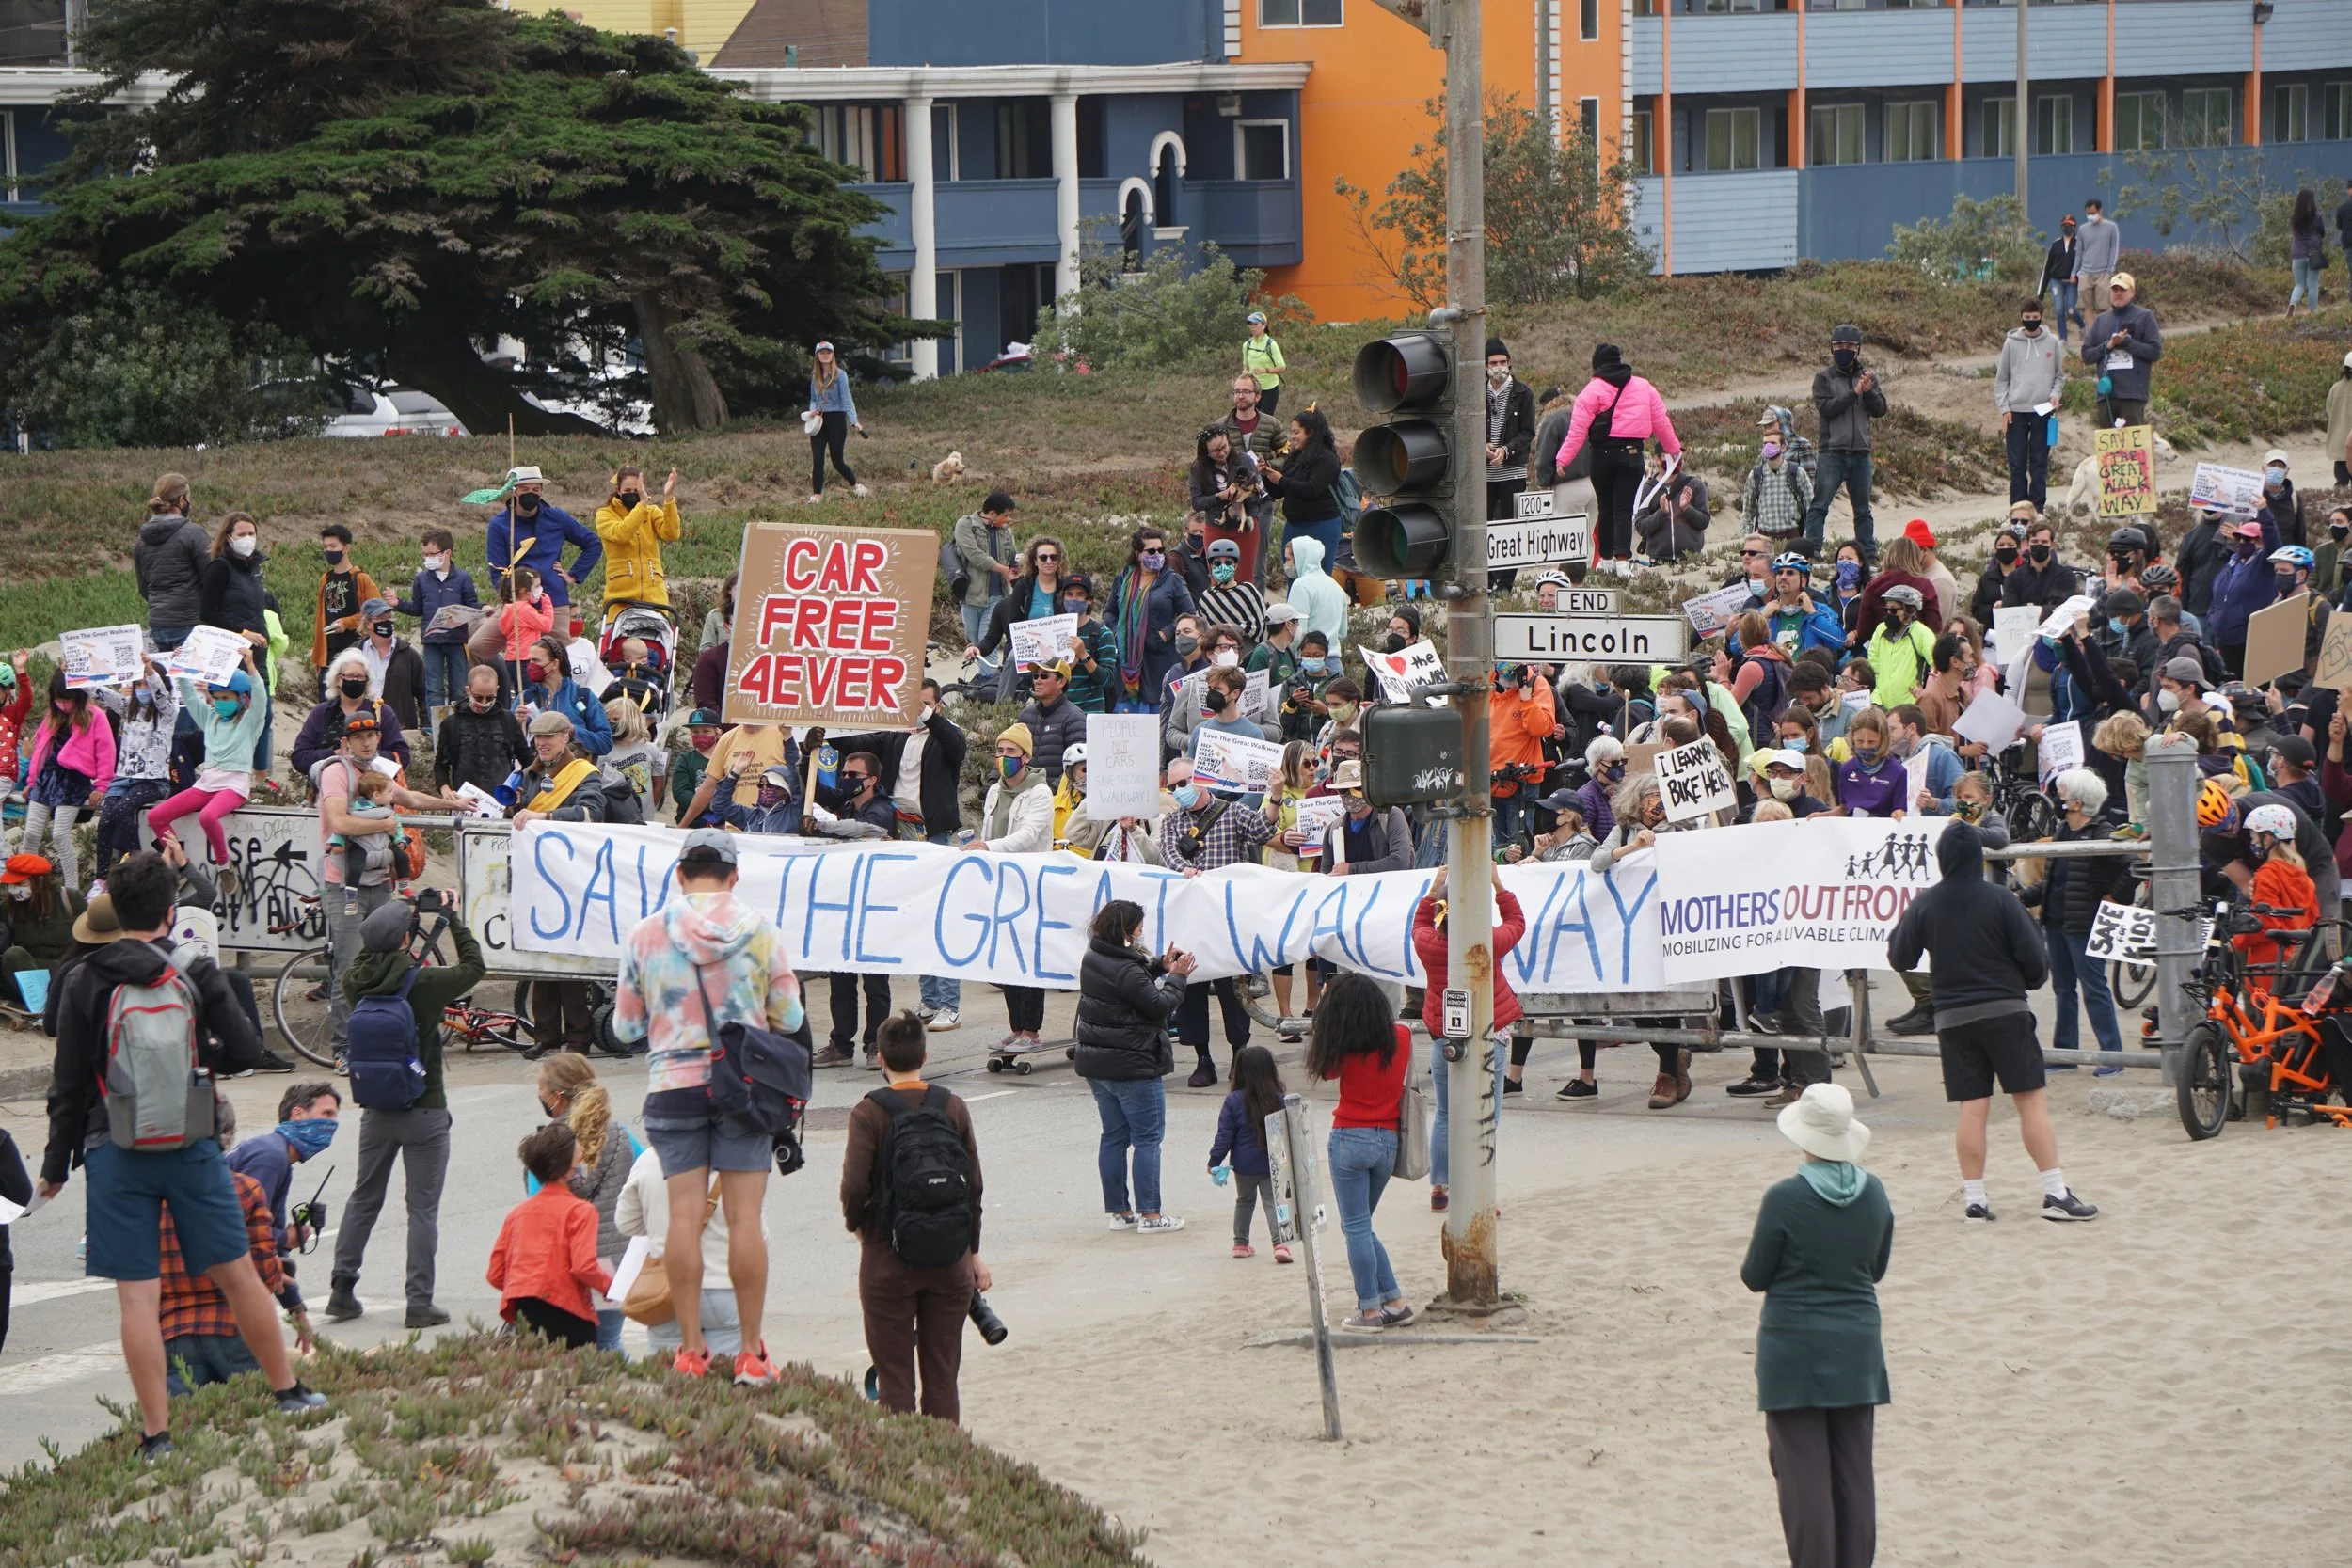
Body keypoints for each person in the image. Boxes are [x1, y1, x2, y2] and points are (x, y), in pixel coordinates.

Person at [40, 852, 326, 1458]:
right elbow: (247, 1050)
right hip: (192, 1138)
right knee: (237, 1273)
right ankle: (288, 1391)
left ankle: (156, 1435)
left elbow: (66, 1085)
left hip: (113, 1144)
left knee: (138, 1297)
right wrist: (201, 1056)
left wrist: (54, 1167)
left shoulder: (85, 979)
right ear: (171, 912)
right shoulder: (193, 969)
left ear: (115, 913)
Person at [611, 826, 803, 1383]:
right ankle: (749, 1351)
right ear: (734, 875)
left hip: (673, 1085)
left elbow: (624, 1027)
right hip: (743, 1085)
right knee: (744, 1219)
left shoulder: (646, 935)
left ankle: (690, 1349)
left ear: (680, 873)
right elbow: (788, 1018)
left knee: (683, 1219)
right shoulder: (761, 931)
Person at [1887, 821, 2097, 1224]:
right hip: (2004, 1010)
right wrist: (2026, 983)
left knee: (1973, 1108)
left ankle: (1975, 1200)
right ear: (1978, 857)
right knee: (2031, 1102)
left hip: (1952, 1016)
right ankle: (2054, 1192)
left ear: (1942, 859)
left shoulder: (1925, 903)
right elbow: (2036, 961)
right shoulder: (2001, 900)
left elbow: (1900, 957)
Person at [1740, 1082, 1893, 1568]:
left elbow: (1754, 1275)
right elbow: (1877, 1268)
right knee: (1854, 1472)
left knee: (1802, 1474)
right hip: (1858, 1344)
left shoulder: (1785, 1197)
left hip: (1794, 1348)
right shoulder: (1875, 1192)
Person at [321, 893, 483, 1329]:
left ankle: (341, 1288)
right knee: (422, 1209)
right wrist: (450, 920)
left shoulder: (356, 982)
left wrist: (398, 916)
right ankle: (418, 1302)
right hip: (425, 1107)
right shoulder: (425, 984)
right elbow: (473, 967)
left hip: (376, 1108)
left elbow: (362, 960)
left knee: (364, 1197)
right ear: (407, 938)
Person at [840, 1010, 990, 1422]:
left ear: (881, 1060)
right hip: (950, 1259)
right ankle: (948, 1470)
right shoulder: (953, 1107)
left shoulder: (867, 1113)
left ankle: (907, 1474)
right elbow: (973, 1185)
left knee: (895, 1377)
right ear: (925, 1057)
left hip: (887, 1258)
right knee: (942, 1376)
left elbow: (855, 1187)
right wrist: (973, 1251)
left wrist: (861, 1229)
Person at [313, 713, 443, 1066]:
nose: (367, 743)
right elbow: (338, 821)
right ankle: (344, 1049)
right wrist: (386, 822)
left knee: (384, 964)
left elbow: (411, 798)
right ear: (346, 742)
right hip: (345, 885)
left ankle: (381, 1039)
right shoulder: (336, 772)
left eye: (373, 736)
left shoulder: (379, 772)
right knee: (351, 967)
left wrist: (455, 804)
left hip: (381, 881)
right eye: (359, 738)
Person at [1306, 972, 1418, 1333]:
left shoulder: (1342, 1045)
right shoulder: (1399, 1036)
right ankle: (1394, 1300)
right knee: (1361, 1227)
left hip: (1349, 1136)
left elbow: (1324, 1071)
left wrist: (1324, 1008)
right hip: (1387, 1139)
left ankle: (1369, 1310)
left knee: (1355, 1228)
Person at [1075, 899, 1193, 1233]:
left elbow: (1131, 983)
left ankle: (1120, 1212)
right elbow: (1158, 1005)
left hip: (1099, 1064)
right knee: (1147, 1138)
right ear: (1126, 933)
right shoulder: (1126, 969)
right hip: (1133, 1063)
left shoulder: (1094, 957)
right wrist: (1178, 978)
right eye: (1139, 926)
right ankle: (1151, 1215)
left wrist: (1158, 965)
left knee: (1114, 1135)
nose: (1143, 931)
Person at [1160, 755, 1278, 1085]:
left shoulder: (1233, 811)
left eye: (1183, 784)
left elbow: (1264, 830)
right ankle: (1203, 1058)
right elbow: (1169, 853)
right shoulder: (1172, 822)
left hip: (1227, 918)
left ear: (1199, 780)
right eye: (1173, 786)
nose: (1178, 791)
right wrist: (1183, 868)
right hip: (1190, 918)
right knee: (1191, 988)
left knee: (1233, 989)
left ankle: (1240, 1054)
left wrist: (1276, 796)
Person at [1411, 862, 1520, 1212]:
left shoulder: (1429, 944)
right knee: (1487, 1115)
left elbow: (1419, 925)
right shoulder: (1488, 941)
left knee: (1445, 1113)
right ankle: (1479, 1188)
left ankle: (1441, 1187)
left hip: (1445, 1038)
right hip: (1489, 1035)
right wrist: (1498, 883)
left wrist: (1433, 888)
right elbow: (1516, 924)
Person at [2018, 770, 2130, 1076]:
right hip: (2057, 921)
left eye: (2063, 794)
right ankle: (2065, 1051)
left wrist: (2112, 896)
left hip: (2085, 924)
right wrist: (2025, 897)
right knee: (2063, 988)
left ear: (2078, 803)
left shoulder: (2104, 834)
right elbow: (2052, 882)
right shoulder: (2063, 830)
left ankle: (2113, 1055)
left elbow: (2132, 867)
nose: (2058, 800)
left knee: (2095, 988)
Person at [1553, 342, 1680, 574]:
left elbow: (1578, 431)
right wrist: (1673, 449)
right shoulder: (1644, 387)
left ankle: (1606, 559)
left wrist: (1564, 459)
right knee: (1624, 508)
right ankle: (1623, 561)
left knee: (1605, 508)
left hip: (1601, 455)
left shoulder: (1591, 390)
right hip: (1632, 454)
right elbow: (1661, 422)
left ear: (1596, 365)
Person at [486, 1122, 611, 1348]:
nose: (583, 1164)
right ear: (567, 1170)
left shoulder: (517, 1214)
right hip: (568, 1314)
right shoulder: (580, 1211)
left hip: (526, 1312)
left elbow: (496, 1273)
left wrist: (527, 1284)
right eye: (580, 1159)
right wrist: (611, 1287)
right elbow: (584, 1267)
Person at [144, 657, 265, 882]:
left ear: (243, 699)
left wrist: (251, 666)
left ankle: (224, 866)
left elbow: (261, 699)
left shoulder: (250, 720)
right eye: (217, 697)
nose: (220, 702)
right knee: (155, 816)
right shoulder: (210, 717)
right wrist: (179, 668)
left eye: (227, 698)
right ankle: (182, 866)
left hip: (235, 785)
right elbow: (189, 697)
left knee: (208, 816)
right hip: (207, 783)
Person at [23, 670, 115, 895]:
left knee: (60, 834)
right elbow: (40, 750)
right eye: (58, 698)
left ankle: (72, 892)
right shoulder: (51, 716)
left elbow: (106, 752)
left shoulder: (95, 716)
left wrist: (102, 785)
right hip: (47, 778)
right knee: (31, 834)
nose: (63, 703)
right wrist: (32, 780)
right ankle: (26, 887)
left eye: (67, 699)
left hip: (74, 780)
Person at [1803, 325, 1888, 561]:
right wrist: (1854, 393)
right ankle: (1813, 552)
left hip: (1861, 453)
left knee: (1863, 510)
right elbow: (1826, 409)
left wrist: (1868, 392)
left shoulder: (1868, 377)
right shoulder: (1823, 378)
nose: (1844, 351)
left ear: (1858, 349)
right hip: (1833, 452)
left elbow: (1881, 410)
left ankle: (1867, 555)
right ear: (1832, 348)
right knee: (1820, 505)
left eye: (1849, 347)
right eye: (1839, 347)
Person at [1211, 1044, 1291, 1261]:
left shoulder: (1234, 1100)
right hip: (1271, 1162)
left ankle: (1240, 1244)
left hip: (1243, 1165)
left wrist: (1214, 1161)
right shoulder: (1279, 1099)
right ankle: (1280, 1244)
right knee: (1273, 1202)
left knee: (1244, 1201)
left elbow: (1224, 1135)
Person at [485, 466, 601, 614]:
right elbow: (497, 570)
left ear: (541, 491)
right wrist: (512, 598)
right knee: (483, 638)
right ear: (514, 492)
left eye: (535, 489)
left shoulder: (557, 517)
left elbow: (593, 544)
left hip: (555, 604)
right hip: (517, 607)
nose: (531, 494)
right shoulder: (499, 525)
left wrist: (573, 575)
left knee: (558, 638)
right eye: (525, 489)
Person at [290, 646, 414, 780]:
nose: (355, 680)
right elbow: (299, 757)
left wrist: (365, 756)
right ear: (338, 680)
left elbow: (402, 756)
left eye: (360, 677)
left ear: (367, 680)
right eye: (349, 676)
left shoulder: (382, 712)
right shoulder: (321, 713)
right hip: (328, 788)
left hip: (373, 791)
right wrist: (335, 754)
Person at [1109, 523, 1197, 710]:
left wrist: (1166, 633)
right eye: (1151, 551)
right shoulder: (1123, 579)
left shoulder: (1172, 580)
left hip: (1160, 660)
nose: (1157, 555)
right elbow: (1109, 613)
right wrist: (1120, 632)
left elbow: (1189, 614)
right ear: (1138, 554)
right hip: (1128, 664)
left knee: (1158, 718)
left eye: (1161, 550)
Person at [2233, 802, 2320, 990]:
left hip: (2268, 966)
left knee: (2261, 1017)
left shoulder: (2267, 874)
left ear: (2268, 838)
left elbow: (2265, 922)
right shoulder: (2302, 874)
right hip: (2297, 962)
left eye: (2254, 836)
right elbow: (2313, 918)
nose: (2253, 842)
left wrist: (2238, 940)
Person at [1994, 298, 2065, 511]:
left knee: (2039, 463)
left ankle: (2037, 508)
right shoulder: (2011, 343)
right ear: (2021, 318)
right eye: (2027, 318)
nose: (2031, 321)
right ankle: (2018, 508)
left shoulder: (2052, 342)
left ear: (2041, 318)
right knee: (2017, 464)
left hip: (2042, 410)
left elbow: (2059, 377)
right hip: (2016, 411)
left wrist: (2055, 395)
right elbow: (2002, 379)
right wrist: (2004, 409)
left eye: (2035, 318)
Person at [1262, 407, 1346, 572]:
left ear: (1311, 433)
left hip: (1321, 525)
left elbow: (1312, 489)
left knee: (1319, 574)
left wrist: (1282, 479)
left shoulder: (1327, 459)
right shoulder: (1294, 458)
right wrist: (1266, 475)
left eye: (1296, 432)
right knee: (1292, 573)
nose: (1292, 437)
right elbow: (1278, 492)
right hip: (1294, 525)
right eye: (1291, 432)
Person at [133, 472, 210, 650]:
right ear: (182, 501)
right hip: (190, 623)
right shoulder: (193, 534)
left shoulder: (141, 541)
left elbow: (143, 588)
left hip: (158, 624)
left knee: (167, 677)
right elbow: (211, 580)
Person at [0, 852, 85, 1013]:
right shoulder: (7, 908)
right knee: (13, 954)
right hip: (27, 975)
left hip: (65, 972)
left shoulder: (71, 899)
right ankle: (43, 1008)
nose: (13, 890)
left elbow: (92, 942)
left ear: (38, 881)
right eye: (10, 885)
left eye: (20, 883)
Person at [434, 663, 530, 799]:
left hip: (502, 801)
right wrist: (445, 790)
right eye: (478, 697)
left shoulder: (508, 720)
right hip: (463, 801)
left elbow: (527, 759)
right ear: (468, 691)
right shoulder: (451, 723)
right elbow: (440, 765)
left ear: (497, 690)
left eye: (490, 698)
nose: (484, 703)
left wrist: (521, 786)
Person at [596, 464, 682, 610]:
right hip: (620, 603)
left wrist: (668, 498)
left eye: (636, 490)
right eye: (627, 490)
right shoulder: (605, 514)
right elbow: (620, 534)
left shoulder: (651, 512)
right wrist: (641, 505)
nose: (632, 494)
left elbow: (672, 533)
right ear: (618, 490)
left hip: (655, 601)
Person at [2083, 270, 2161, 429]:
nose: (2118, 293)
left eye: (2122, 289)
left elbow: (2154, 351)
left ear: (2132, 292)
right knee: (2109, 454)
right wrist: (2108, 346)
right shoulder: (2100, 320)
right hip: (2106, 397)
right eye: (2114, 289)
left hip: (2132, 396)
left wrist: (2127, 343)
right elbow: (2086, 355)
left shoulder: (2145, 316)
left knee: (2133, 452)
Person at [1483, 337, 1539, 546]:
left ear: (1509, 363)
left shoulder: (1524, 394)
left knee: (1511, 530)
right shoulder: (1476, 394)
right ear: (1485, 366)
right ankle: (1486, 579)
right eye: (1493, 363)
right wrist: (1481, 445)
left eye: (1502, 362)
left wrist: (1506, 451)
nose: (1499, 367)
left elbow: (1527, 432)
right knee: (1483, 529)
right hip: (1484, 476)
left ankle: (1506, 579)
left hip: (1512, 472)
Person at [2207, 518, 2279, 677]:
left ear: (2260, 541)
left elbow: (2273, 539)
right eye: (2238, 538)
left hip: (2249, 640)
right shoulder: (2232, 562)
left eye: (2247, 539)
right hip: (2224, 640)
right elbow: (2217, 594)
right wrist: (2212, 616)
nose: (2241, 542)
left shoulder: (2264, 564)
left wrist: (2263, 511)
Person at [804, 341, 868, 501]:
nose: (825, 355)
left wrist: (855, 422)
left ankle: (855, 486)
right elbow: (813, 398)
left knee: (837, 460)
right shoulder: (815, 376)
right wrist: (812, 410)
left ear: (832, 355)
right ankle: (817, 496)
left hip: (837, 420)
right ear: (817, 356)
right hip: (819, 421)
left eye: (828, 352)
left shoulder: (840, 375)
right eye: (822, 353)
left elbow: (847, 400)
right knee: (817, 459)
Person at [355, 597, 427, 735]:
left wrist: (426, 727)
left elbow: (424, 693)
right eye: (381, 618)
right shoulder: (355, 653)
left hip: (399, 729)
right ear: (368, 623)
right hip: (361, 728)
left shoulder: (409, 655)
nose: (387, 622)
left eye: (390, 617)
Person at [1861, 588, 1935, 712]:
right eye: (1887, 610)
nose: (1889, 614)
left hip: (1909, 708)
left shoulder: (1923, 634)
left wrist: (1926, 693)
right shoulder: (1881, 629)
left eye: (1893, 610)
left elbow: (1937, 666)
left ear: (1910, 610)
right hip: (1879, 703)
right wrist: (1875, 697)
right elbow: (1873, 663)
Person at [1744, 433, 1814, 551]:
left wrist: (1805, 539)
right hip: (1764, 540)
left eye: (1772, 443)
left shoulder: (1797, 473)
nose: (1768, 446)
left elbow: (1811, 509)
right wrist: (1747, 540)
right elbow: (1747, 512)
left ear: (1783, 447)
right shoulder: (1755, 475)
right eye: (1765, 443)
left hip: (1792, 538)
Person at [1632, 457, 1710, 562]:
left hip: (1691, 561)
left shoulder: (1695, 484)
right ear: (1657, 459)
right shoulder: (1648, 489)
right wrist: (1661, 513)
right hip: (1659, 563)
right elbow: (1641, 527)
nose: (1676, 458)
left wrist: (1687, 509)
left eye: (1678, 454)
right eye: (1670, 454)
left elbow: (1704, 522)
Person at [1282, 534, 1350, 655]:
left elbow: (1296, 632)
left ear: (1299, 558)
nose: (1286, 565)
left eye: (1288, 559)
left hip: (1307, 657)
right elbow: (1342, 633)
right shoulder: (1337, 588)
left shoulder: (1301, 586)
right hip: (1333, 659)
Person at [2041, 213, 2083, 343]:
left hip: (2071, 283)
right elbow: (2047, 268)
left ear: (2074, 227)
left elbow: (2084, 263)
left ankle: (2082, 326)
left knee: (2070, 310)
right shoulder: (2056, 244)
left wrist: (2078, 277)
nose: (2067, 227)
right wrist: (2041, 292)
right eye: (2064, 225)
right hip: (2056, 281)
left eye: (2069, 225)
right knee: (2059, 310)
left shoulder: (2079, 244)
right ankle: (2063, 338)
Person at [2075, 196, 2121, 314]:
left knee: (2105, 307)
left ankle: (2108, 331)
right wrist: (2074, 272)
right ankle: (2090, 332)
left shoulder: (2111, 227)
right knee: (2087, 307)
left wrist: (2110, 271)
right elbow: (2079, 252)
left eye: (2093, 213)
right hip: (2085, 273)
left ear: (2100, 211)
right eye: (2088, 213)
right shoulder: (2082, 229)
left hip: (2103, 274)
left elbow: (2114, 249)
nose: (2091, 216)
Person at [2258, 449, 2310, 549]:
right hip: (2259, 558)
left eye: (2280, 466)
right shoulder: (2255, 495)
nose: (2276, 469)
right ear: (2263, 468)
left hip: (2285, 559)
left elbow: (2300, 535)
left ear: (2286, 471)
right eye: (2272, 465)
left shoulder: (2294, 499)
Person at [2287, 188, 2328, 318]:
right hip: (2314, 252)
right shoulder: (2316, 217)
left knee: (2299, 284)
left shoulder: (2294, 217)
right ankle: (2312, 312)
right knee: (2313, 284)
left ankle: (2292, 304)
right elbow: (2322, 233)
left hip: (2297, 254)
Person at [1241, 309, 1286, 414]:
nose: (1252, 327)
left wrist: (1265, 370)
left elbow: (1282, 367)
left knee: (1265, 419)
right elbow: (1245, 366)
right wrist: (1244, 373)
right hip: (1253, 389)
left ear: (1264, 325)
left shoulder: (1271, 344)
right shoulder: (1247, 345)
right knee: (1251, 417)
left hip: (1270, 388)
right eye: (1250, 324)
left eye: (1255, 324)